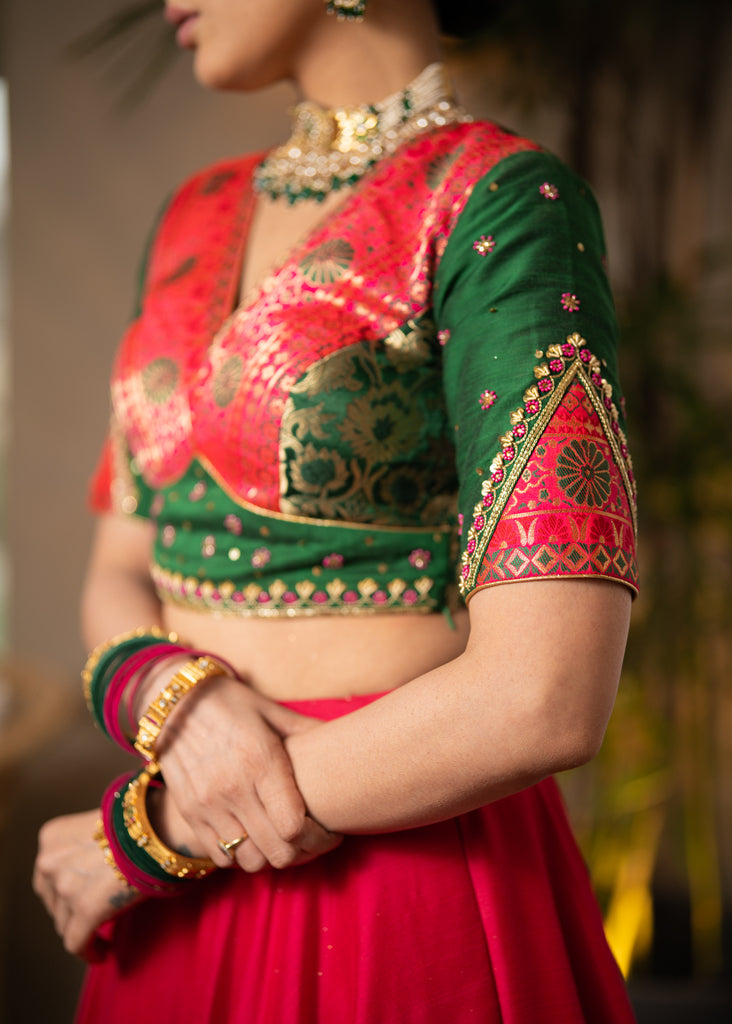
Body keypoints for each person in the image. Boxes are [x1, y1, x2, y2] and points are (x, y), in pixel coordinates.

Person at [33, 0, 640, 1020]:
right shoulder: (190, 213)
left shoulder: (501, 202)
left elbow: (547, 692)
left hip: (394, 862)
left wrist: (160, 829)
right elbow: (120, 570)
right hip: (185, 883)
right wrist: (175, 697)